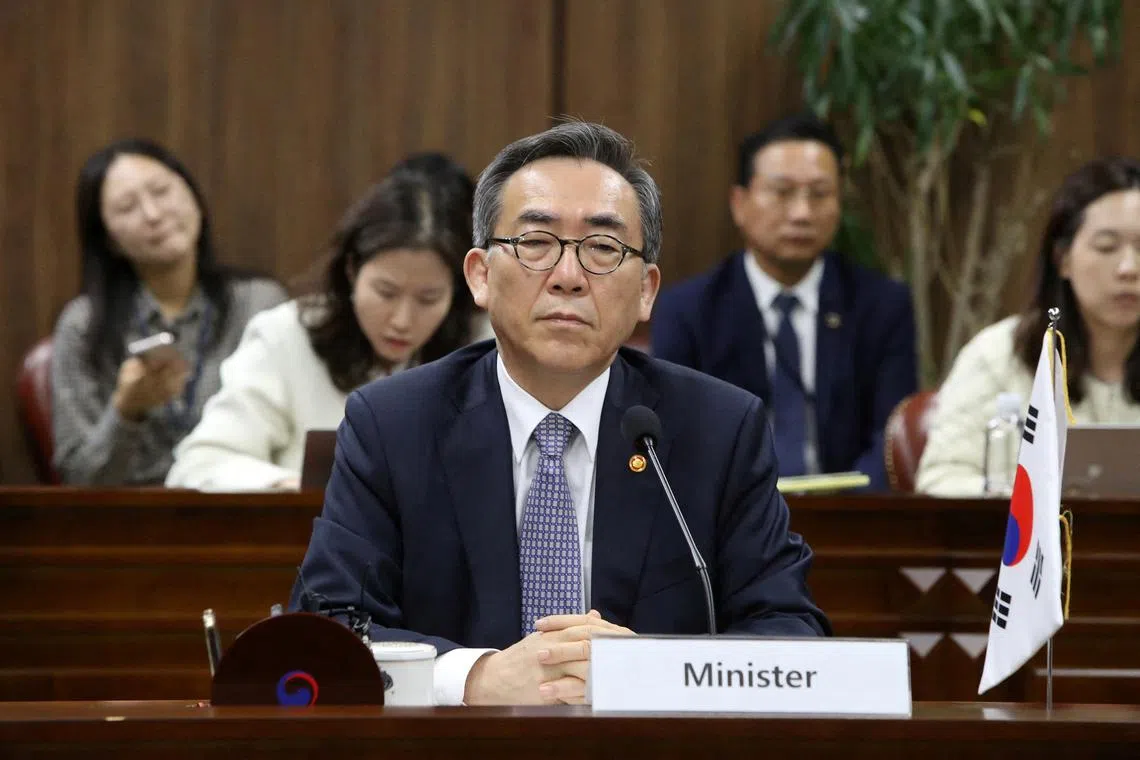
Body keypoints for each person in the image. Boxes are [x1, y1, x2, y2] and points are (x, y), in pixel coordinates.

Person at [290, 121, 830, 707]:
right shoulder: (392, 424)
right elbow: (328, 628)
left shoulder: (719, 430)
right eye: (536, 243)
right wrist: (476, 677)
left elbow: (791, 636)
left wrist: (648, 671)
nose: (568, 278)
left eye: (603, 249)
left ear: (646, 291)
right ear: (480, 276)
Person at [166, 159, 485, 490]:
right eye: (385, 292)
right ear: (352, 269)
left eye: (428, 299)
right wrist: (294, 488)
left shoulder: (483, 348)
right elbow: (200, 464)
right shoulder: (285, 336)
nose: (402, 320)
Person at [650, 113, 917, 489]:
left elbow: (891, 439)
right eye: (782, 192)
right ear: (740, 203)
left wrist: (851, 508)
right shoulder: (689, 312)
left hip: (851, 511)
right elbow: (680, 440)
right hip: (731, 514)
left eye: (819, 194)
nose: (802, 213)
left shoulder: (882, 307)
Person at [51, 138, 287, 485]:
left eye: (161, 191)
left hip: (243, 503)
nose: (153, 214)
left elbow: (291, 437)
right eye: (127, 207)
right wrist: (126, 413)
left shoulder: (259, 304)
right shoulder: (83, 326)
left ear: (193, 196)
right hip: (132, 513)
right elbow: (78, 479)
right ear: (108, 239)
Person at [917, 157, 1140, 496]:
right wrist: (1030, 504)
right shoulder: (998, 356)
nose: (1128, 268)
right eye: (1107, 247)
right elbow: (940, 479)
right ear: (1063, 259)